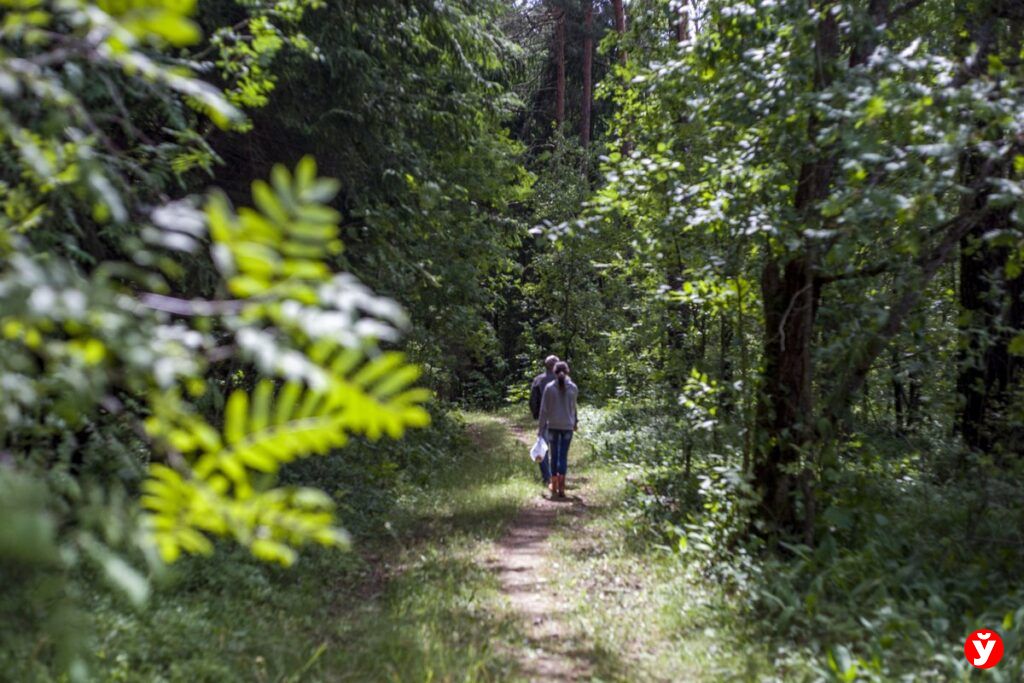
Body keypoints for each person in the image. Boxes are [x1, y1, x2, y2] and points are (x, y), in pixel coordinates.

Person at [536, 361, 578, 498]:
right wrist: (575, 422)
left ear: (554, 372)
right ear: (567, 372)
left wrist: (540, 428)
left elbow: (544, 410)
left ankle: (553, 486)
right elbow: (573, 408)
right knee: (563, 456)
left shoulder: (549, 388)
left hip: (553, 426)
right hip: (567, 426)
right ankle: (562, 487)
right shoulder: (573, 388)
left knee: (553, 455)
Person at [529, 355, 559, 486]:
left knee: (543, 447)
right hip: (560, 418)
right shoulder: (562, 380)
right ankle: (557, 476)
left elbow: (533, 401)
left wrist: (536, 415)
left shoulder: (538, 380)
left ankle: (547, 477)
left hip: (545, 418)